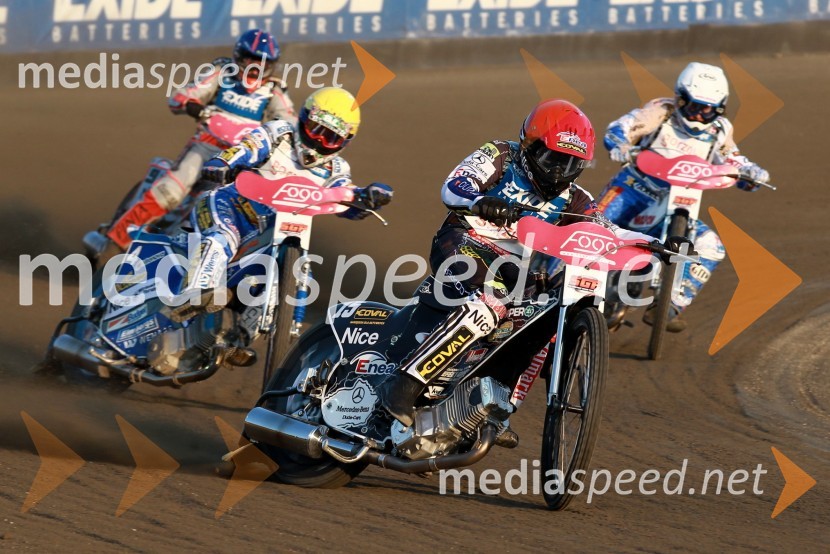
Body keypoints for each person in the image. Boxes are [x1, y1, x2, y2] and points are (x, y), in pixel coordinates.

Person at [380, 99, 654, 427]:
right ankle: (403, 386)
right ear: (529, 144)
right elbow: (454, 186)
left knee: (542, 318)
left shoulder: (575, 197)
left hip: (511, 264)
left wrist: (653, 243)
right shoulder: (500, 154)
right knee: (491, 303)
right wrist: (481, 201)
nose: (559, 172)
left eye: (571, 164)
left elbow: (605, 228)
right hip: (463, 241)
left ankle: (496, 407)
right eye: (553, 159)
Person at [598, 61, 771, 332]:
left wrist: (751, 173)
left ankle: (670, 303)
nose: (700, 116)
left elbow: (733, 159)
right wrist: (619, 144)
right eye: (694, 107)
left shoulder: (720, 130)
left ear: (719, 108)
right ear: (680, 98)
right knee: (590, 229)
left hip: (679, 202)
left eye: (708, 110)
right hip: (632, 188)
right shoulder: (661, 112)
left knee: (711, 246)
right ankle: (547, 283)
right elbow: (622, 126)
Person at [178, 87, 392, 305]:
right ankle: (194, 292)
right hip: (231, 207)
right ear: (303, 119)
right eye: (315, 129)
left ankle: (282, 328)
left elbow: (345, 198)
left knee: (302, 271)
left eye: (331, 137)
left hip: (276, 230)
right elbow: (246, 148)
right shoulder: (278, 133)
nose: (319, 140)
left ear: (344, 141)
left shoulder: (336, 168)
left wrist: (368, 197)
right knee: (222, 237)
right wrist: (223, 163)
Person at [107, 29, 296, 249]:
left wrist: (287, 137)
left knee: (222, 210)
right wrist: (192, 105)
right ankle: (117, 240)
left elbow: (288, 120)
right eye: (251, 61)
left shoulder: (274, 90)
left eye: (263, 64)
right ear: (239, 57)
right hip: (206, 145)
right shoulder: (222, 72)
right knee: (172, 189)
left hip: (241, 158)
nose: (256, 69)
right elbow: (181, 96)